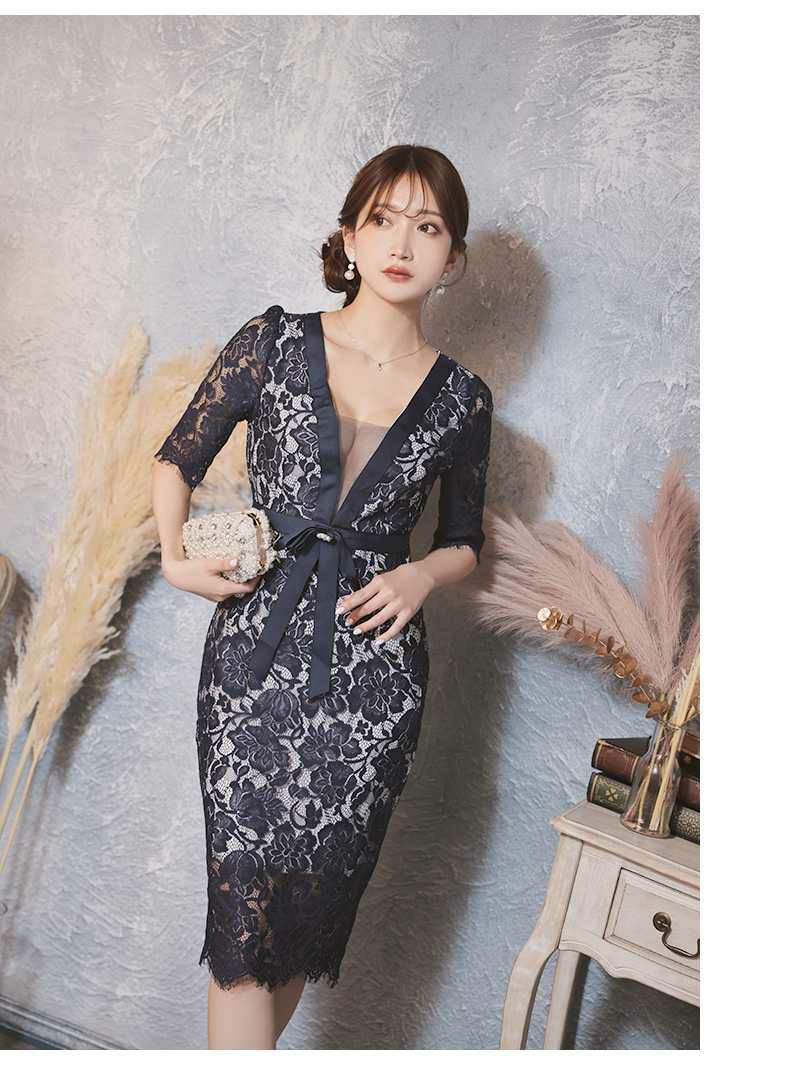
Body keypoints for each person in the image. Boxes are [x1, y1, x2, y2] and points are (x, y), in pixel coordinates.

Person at [151, 144, 494, 1049]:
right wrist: (176, 560)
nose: (402, 244)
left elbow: (466, 539)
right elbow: (177, 458)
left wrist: (420, 573)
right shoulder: (271, 341)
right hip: (252, 667)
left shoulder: (462, 400)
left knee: (305, 913)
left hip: (374, 686)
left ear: (453, 256)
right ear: (348, 234)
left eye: (428, 227)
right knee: (244, 914)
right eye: (383, 219)